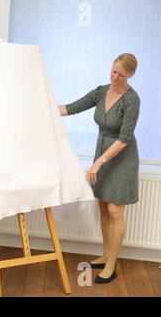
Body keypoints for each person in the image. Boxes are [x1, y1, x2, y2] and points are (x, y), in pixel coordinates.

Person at [58, 53, 140, 284]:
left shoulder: (132, 100)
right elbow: (72, 108)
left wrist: (98, 163)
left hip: (122, 156)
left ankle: (112, 264)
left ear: (131, 75)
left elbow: (124, 138)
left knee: (115, 210)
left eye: (121, 75)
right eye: (113, 71)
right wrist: (44, 108)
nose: (115, 77)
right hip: (102, 152)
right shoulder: (102, 91)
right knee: (103, 206)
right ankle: (105, 254)